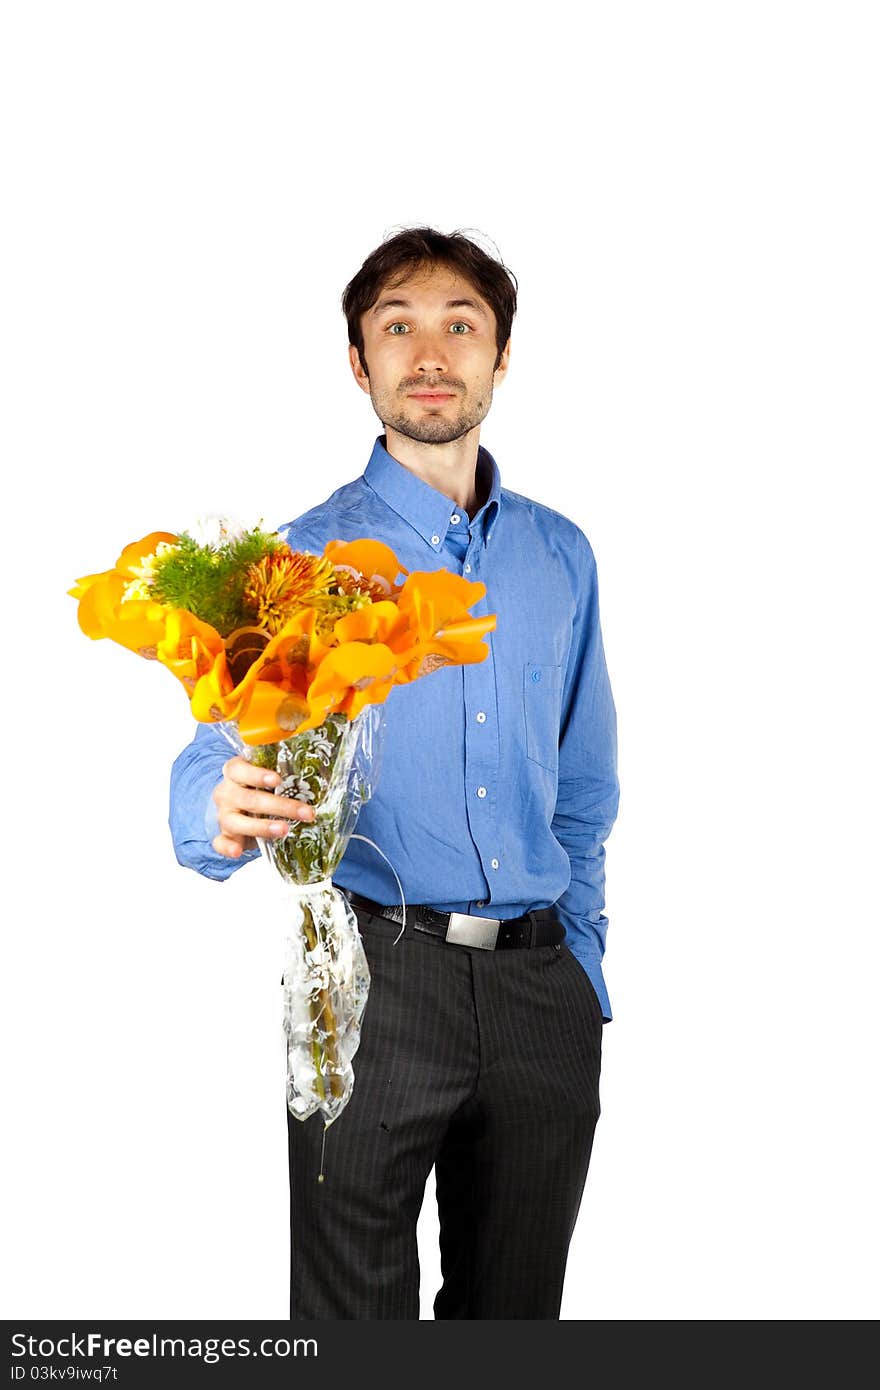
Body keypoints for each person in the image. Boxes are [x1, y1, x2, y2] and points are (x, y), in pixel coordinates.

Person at [169, 226, 620, 1320]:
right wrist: (214, 811)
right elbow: (212, 758)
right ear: (358, 362)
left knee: (513, 1320)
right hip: (374, 984)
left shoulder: (559, 555)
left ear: (499, 358)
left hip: (539, 992)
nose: (430, 351)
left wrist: (584, 972)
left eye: (460, 325)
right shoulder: (299, 559)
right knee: (349, 1327)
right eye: (397, 326)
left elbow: (583, 787)